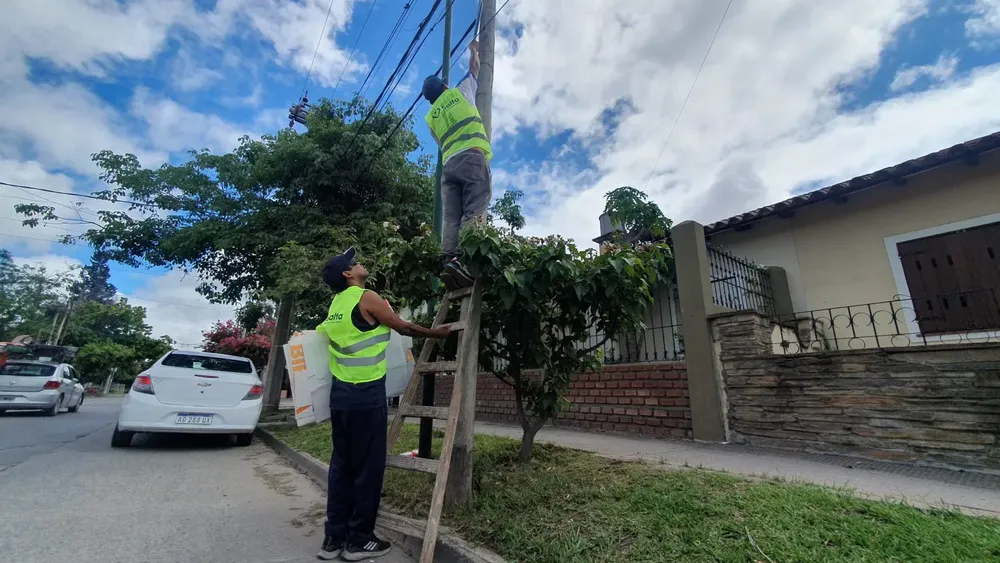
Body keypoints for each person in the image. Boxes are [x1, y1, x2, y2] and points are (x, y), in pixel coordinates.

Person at [315, 247, 454, 561]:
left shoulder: (335, 305)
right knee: (367, 469)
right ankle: (359, 540)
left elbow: (319, 336)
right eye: (354, 262)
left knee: (341, 467)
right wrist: (437, 333)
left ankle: (333, 539)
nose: (360, 262)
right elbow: (402, 327)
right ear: (347, 274)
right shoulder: (365, 297)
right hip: (366, 397)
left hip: (341, 400)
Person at [422, 39, 492, 291]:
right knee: (474, 209)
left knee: (451, 217)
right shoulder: (460, 91)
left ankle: (448, 261)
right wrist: (475, 50)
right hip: (471, 158)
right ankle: (464, 261)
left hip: (449, 166)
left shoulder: (431, 117)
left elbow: (440, 141)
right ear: (444, 86)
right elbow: (475, 69)